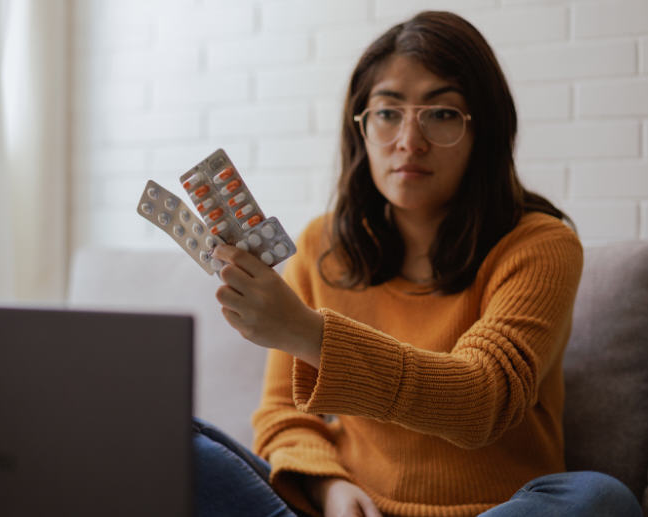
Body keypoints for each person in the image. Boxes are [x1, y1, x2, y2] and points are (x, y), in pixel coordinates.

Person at [193, 10, 643, 517]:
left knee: (599, 498)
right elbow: (283, 415)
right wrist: (328, 487)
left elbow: (483, 400)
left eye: (442, 114)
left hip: (497, 510)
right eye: (387, 113)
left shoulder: (539, 244)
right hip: (351, 511)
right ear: (360, 129)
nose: (410, 141)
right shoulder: (322, 245)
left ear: (483, 132)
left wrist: (308, 333)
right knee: (179, 440)